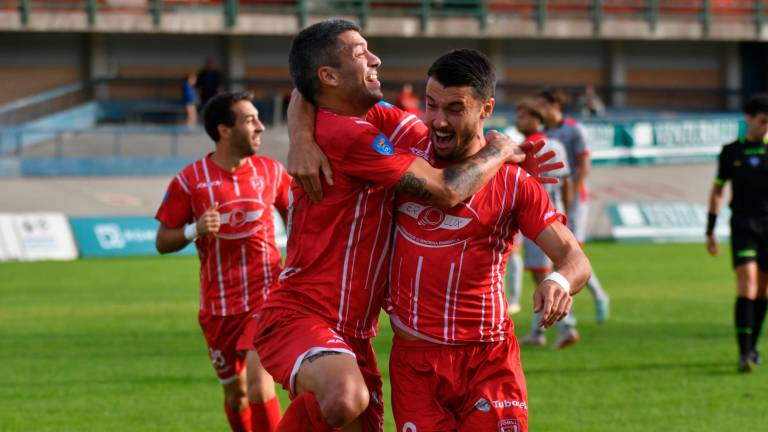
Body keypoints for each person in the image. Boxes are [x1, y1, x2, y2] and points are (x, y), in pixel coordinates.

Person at [252, 20, 548, 432]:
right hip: (302, 313)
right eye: (360, 53)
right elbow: (446, 191)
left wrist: (299, 131)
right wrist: (499, 149)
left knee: (348, 405)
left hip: (355, 335)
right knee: (344, 397)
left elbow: (306, 87)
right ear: (331, 76)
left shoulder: (371, 115)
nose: (375, 59)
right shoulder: (349, 134)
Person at [385, 51, 591, 432]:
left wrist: (557, 280)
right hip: (416, 363)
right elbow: (325, 90)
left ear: (486, 109)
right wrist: (301, 136)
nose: (438, 121)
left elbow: (574, 258)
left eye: (455, 108)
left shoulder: (514, 183)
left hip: (488, 360)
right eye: (431, 106)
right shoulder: (404, 160)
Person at [155, 92, 287, 431]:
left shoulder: (271, 171)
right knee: (237, 395)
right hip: (218, 307)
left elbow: (300, 218)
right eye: (250, 120)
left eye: (258, 118)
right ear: (224, 131)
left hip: (266, 297)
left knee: (260, 387)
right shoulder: (190, 180)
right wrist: (194, 230)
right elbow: (162, 241)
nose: (261, 126)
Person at [513, 97, 581, 350]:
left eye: (522, 116)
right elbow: (567, 182)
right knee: (558, 271)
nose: (518, 120)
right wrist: (567, 212)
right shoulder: (557, 144)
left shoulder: (526, 147)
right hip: (557, 216)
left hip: (536, 219)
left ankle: (566, 326)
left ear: (536, 119)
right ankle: (537, 332)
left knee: (543, 277)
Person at [706, 93, 768, 372]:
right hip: (743, 224)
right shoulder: (731, 151)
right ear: (749, 119)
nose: (765, 127)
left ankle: (753, 346)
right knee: (747, 284)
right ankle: (743, 353)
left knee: (763, 290)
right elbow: (718, 190)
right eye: (762, 121)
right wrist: (710, 228)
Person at [538, 87, 610, 323]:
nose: (539, 111)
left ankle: (597, 297)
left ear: (554, 106)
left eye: (543, 106)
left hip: (575, 198)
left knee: (571, 254)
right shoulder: (543, 133)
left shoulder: (574, 129)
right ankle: (567, 314)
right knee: (556, 255)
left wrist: (570, 199)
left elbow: (584, 166)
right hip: (553, 198)